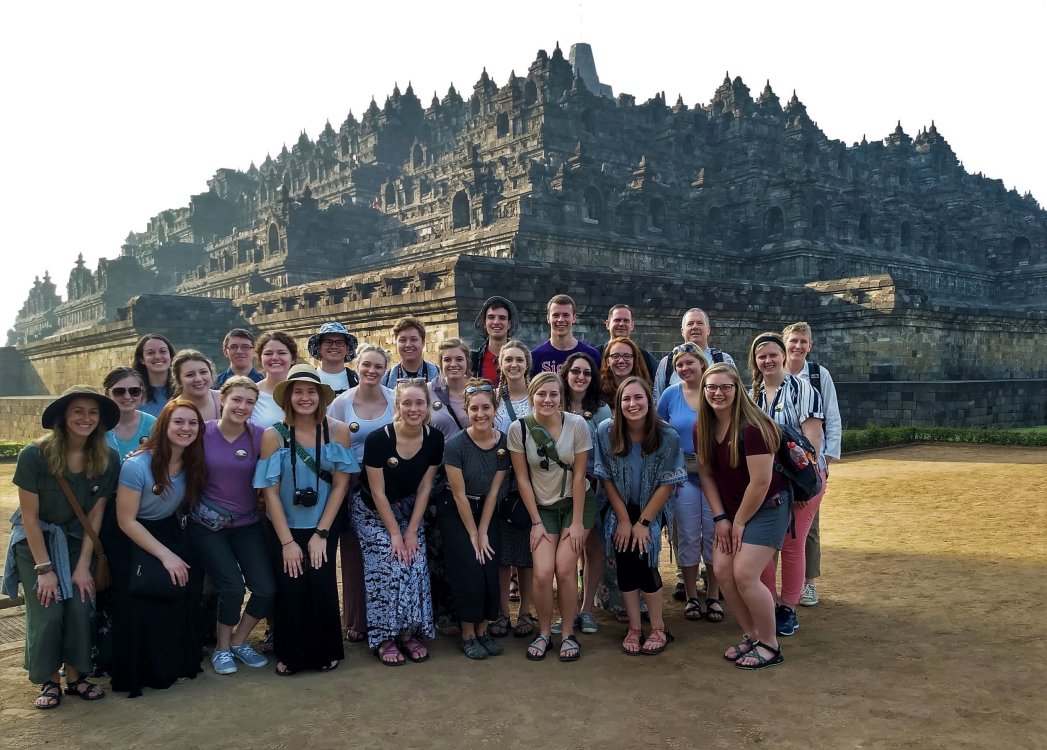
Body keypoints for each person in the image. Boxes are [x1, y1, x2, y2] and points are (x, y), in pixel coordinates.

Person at [3, 386, 120, 708]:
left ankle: (76, 676)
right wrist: (45, 569)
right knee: (48, 608)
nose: (86, 418)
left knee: (81, 606)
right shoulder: (35, 455)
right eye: (78, 411)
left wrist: (84, 566)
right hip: (36, 543)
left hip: (75, 541)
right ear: (64, 416)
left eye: (93, 412)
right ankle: (48, 680)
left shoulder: (108, 458)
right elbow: (29, 517)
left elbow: (95, 514)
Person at [255, 365, 356, 675]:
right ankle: (291, 652)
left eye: (311, 391)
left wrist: (322, 533)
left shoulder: (337, 431)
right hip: (285, 524)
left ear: (320, 396)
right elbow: (269, 492)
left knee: (322, 582)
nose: (305, 397)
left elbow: (340, 484)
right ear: (288, 397)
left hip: (323, 522)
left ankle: (325, 649)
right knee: (291, 586)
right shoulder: (274, 435)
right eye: (298, 392)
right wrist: (286, 542)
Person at [695, 363, 791, 670]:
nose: (718, 393)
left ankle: (770, 645)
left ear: (738, 390)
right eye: (712, 387)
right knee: (723, 572)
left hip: (768, 507)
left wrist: (737, 523)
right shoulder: (703, 427)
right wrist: (721, 518)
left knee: (745, 574)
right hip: (732, 511)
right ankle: (753, 636)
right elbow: (706, 475)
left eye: (726, 387)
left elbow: (761, 483)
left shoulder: (754, 427)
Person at [111, 399, 207, 696]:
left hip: (168, 529)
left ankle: (177, 661)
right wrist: (166, 556)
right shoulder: (136, 465)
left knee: (186, 583)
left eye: (192, 423)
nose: (186, 428)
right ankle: (147, 670)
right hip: (133, 534)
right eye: (179, 421)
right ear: (164, 425)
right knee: (148, 594)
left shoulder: (193, 462)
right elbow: (126, 520)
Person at [187, 376, 275, 675]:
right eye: (237, 399)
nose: (242, 406)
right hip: (208, 525)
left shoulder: (260, 436)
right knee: (232, 588)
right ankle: (222, 649)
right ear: (222, 399)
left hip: (247, 523)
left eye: (250, 402)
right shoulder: (201, 432)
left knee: (265, 588)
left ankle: (239, 641)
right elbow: (170, 456)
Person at [353, 379, 444, 666]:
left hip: (408, 510)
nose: (414, 409)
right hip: (371, 510)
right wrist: (395, 534)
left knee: (415, 561)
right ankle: (384, 637)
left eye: (420, 403)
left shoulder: (434, 439)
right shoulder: (379, 439)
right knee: (389, 561)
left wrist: (412, 531)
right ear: (398, 406)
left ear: (428, 406)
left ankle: (408, 632)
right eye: (407, 403)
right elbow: (377, 492)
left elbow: (425, 488)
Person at [594, 377, 685, 655]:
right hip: (618, 505)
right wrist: (623, 520)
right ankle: (634, 627)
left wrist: (643, 522)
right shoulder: (606, 431)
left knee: (644, 560)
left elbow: (668, 482)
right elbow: (606, 477)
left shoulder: (667, 435)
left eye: (638, 398)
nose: (632, 404)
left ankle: (658, 627)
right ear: (618, 404)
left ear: (650, 401)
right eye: (626, 399)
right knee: (625, 561)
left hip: (652, 507)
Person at [507, 372, 593, 662]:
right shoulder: (518, 429)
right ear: (532, 396)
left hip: (575, 504)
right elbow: (522, 479)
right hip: (541, 507)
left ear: (561, 397)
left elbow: (580, 476)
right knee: (543, 573)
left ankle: (568, 632)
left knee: (565, 569)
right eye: (541, 394)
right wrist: (535, 521)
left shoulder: (577, 424)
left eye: (553, 394)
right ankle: (544, 631)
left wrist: (578, 522)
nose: (547, 400)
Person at [748, 332, 825, 638]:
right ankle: (766, 602)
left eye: (772, 355)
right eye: (761, 356)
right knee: (763, 545)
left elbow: (813, 442)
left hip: (801, 480)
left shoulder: (803, 391)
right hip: (767, 482)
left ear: (783, 356)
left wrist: (806, 487)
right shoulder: (752, 395)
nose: (767, 361)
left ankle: (788, 608)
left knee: (793, 544)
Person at [327, 343, 395, 643]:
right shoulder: (342, 403)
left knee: (387, 551)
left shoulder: (394, 399)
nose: (371, 371)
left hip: (390, 481)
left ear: (385, 370)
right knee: (354, 553)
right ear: (358, 366)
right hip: (352, 483)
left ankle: (391, 616)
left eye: (378, 367)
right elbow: (331, 444)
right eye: (366, 365)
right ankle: (357, 619)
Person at [441, 379, 509, 659]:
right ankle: (468, 634)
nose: (481, 414)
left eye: (486, 408)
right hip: (457, 512)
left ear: (495, 410)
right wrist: (473, 534)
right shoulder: (455, 445)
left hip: (487, 511)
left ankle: (483, 629)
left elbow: (493, 491)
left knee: (489, 568)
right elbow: (458, 494)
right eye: (474, 409)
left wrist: (483, 531)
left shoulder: (504, 444)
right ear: (466, 412)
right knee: (470, 568)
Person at [655, 343, 723, 622]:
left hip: (714, 473)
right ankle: (692, 595)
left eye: (689, 363)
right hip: (683, 473)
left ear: (702, 363)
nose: (685, 369)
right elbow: (657, 429)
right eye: (679, 365)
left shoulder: (715, 392)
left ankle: (714, 595)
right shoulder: (671, 394)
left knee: (714, 535)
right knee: (687, 534)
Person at [782, 321, 842, 607]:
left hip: (810, 466)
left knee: (808, 527)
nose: (798, 346)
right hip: (779, 465)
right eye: (793, 341)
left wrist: (824, 462)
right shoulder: (771, 374)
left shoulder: (819, 376)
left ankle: (809, 583)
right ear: (785, 343)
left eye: (803, 342)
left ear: (810, 345)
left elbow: (832, 417)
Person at [558, 352, 617, 632]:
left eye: (586, 373)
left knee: (592, 548)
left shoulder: (602, 410)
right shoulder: (552, 403)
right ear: (566, 374)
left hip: (593, 489)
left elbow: (608, 454)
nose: (580, 377)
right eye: (575, 371)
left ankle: (586, 610)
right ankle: (566, 610)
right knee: (564, 551)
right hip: (556, 492)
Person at [489, 340, 537, 639]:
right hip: (502, 478)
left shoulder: (537, 398)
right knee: (503, 552)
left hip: (533, 477)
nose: (514, 365)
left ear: (527, 363)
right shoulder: (493, 400)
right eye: (508, 360)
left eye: (519, 359)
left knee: (528, 550)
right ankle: (502, 612)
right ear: (501, 364)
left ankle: (526, 611)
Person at [426, 338, 473, 635]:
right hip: (437, 477)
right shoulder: (429, 392)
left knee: (466, 544)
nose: (453, 364)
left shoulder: (480, 390)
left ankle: (466, 608)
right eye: (447, 360)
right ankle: (441, 610)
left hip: (471, 475)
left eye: (458, 359)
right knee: (438, 545)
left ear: (467, 361)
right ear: (440, 363)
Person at [653, 309, 736, 400]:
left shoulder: (723, 360)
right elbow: (657, 400)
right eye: (690, 324)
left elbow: (737, 395)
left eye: (700, 323)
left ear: (708, 330)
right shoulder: (667, 363)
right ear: (682, 331)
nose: (695, 327)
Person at [530, 294, 602, 375]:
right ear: (548, 319)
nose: (560, 320)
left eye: (566, 315)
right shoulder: (535, 356)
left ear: (574, 318)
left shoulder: (591, 355)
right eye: (556, 315)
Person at [103, 367, 156, 461]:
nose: (127, 397)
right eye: (119, 392)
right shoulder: (98, 425)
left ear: (142, 393)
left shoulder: (152, 424)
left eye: (134, 391)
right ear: (107, 393)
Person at [251, 330, 297, 428]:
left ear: (292, 358)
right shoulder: (250, 394)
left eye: (282, 353)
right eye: (268, 353)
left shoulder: (307, 392)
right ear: (260, 359)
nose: (275, 358)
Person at [470, 295, 520, 384]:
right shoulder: (473, 360)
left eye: (502, 318)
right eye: (491, 317)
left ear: (509, 324)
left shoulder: (523, 359)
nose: (496, 322)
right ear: (484, 323)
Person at [380, 316, 440, 386]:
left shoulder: (439, 375)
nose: (408, 345)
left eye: (413, 339)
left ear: (423, 342)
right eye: (402, 340)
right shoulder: (385, 380)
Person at [604, 304, 658, 380]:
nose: (621, 324)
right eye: (617, 320)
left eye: (626, 320)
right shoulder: (596, 355)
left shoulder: (647, 358)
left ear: (632, 325)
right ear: (608, 324)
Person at [308, 321, 360, 395]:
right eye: (328, 342)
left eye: (340, 342)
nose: (334, 346)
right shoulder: (309, 378)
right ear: (319, 348)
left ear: (347, 349)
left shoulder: (358, 380)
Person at [171, 349, 222, 422]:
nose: (198, 379)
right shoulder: (171, 410)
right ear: (179, 381)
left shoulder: (226, 400)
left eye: (203, 372)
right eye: (190, 375)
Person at [599, 337, 652, 406]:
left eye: (627, 356)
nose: (621, 361)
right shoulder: (598, 393)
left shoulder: (645, 391)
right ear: (607, 361)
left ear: (634, 360)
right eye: (615, 356)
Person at [132, 333, 175, 417]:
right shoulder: (133, 393)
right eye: (150, 353)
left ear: (171, 356)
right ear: (142, 359)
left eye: (163, 351)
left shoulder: (183, 389)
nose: (158, 356)